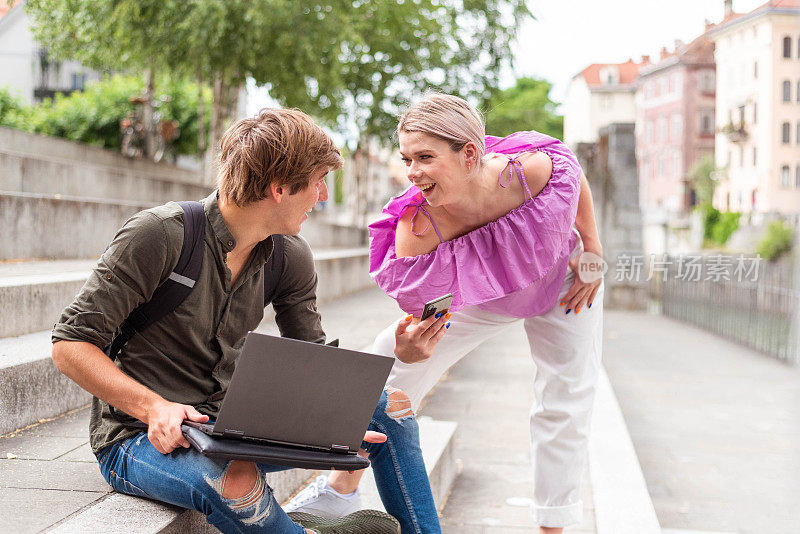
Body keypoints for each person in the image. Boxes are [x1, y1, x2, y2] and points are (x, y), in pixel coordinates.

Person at [50, 108, 450, 534]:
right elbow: (70, 345)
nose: (323, 197)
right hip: (138, 438)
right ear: (279, 188)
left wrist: (349, 410)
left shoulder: (289, 255)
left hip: (234, 425)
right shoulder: (159, 234)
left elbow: (315, 363)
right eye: (318, 182)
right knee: (236, 481)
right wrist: (153, 407)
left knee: (391, 409)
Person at [286, 94, 604, 534]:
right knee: (385, 358)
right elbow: (430, 312)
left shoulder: (528, 171)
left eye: (425, 157)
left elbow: (575, 177)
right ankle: (340, 488)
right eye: (407, 159)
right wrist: (412, 345)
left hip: (564, 281)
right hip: (487, 295)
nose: (412, 172)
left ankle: (552, 527)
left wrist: (592, 252)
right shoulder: (418, 227)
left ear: (469, 153)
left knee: (565, 397)